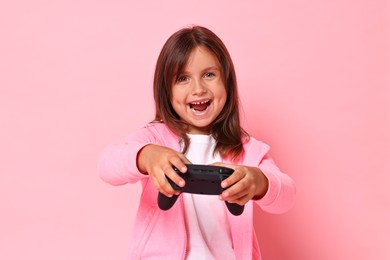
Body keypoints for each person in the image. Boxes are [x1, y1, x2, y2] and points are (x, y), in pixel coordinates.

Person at [98, 25, 296, 260]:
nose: (198, 89)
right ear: (166, 91)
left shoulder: (246, 149)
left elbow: (287, 197)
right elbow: (107, 166)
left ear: (227, 82)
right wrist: (147, 156)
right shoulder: (155, 138)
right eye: (183, 78)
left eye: (209, 75)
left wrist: (258, 182)